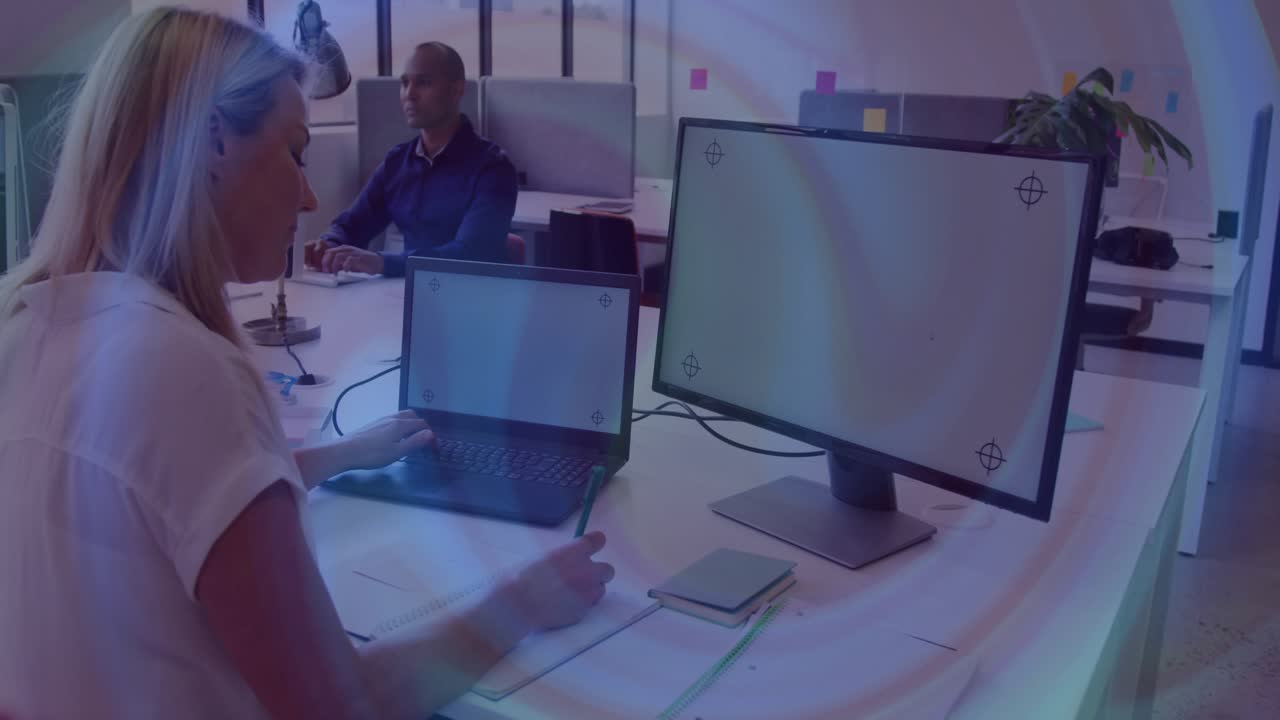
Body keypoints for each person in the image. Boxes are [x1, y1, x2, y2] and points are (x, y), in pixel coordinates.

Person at [0, 9, 612, 720]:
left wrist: (338, 454)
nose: (309, 193)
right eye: (295, 152)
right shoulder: (182, 369)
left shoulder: (25, 324)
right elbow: (339, 706)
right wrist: (521, 601)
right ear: (211, 140)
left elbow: (155, 493)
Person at [307, 42, 519, 277]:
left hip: (469, 296)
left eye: (424, 82)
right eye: (405, 82)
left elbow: (471, 254)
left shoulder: (493, 168)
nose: (409, 94)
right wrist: (329, 244)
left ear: (457, 89)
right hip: (405, 295)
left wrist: (382, 263)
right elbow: (353, 224)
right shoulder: (398, 162)